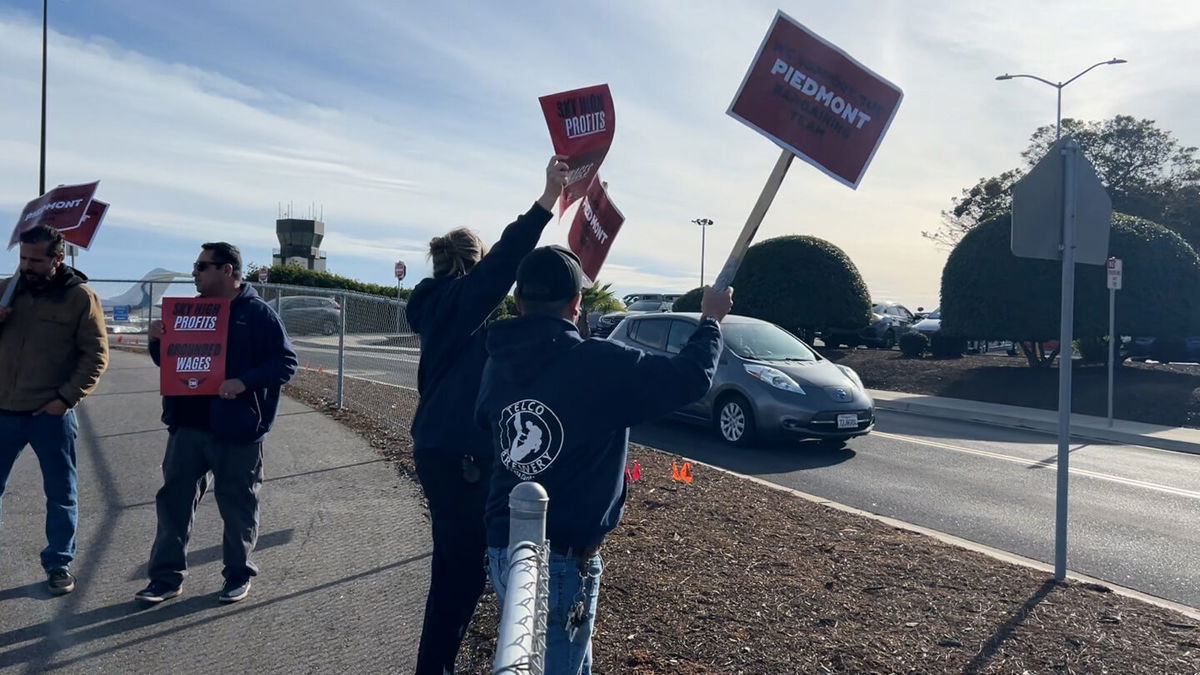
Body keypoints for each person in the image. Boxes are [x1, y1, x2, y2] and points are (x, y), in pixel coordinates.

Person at [476, 246, 732, 674]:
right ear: (577, 303)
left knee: (560, 658)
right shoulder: (597, 364)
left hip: (504, 546)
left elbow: (486, 423)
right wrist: (710, 321)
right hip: (561, 559)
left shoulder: (497, 359)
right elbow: (688, 378)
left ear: (518, 301)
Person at [406, 154, 568, 674]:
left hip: (436, 445)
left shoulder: (437, 310)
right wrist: (546, 202)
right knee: (461, 571)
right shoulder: (461, 304)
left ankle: (437, 664)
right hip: (463, 453)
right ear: (472, 265)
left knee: (453, 564)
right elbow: (505, 261)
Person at [136, 242, 297, 604]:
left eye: (202, 266)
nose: (194, 272)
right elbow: (171, 365)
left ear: (227, 271)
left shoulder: (257, 313)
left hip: (237, 428)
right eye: (195, 266)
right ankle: (165, 578)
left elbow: (286, 363)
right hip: (187, 424)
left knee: (238, 504)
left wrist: (245, 382)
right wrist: (156, 341)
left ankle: (238, 574)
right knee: (174, 503)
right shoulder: (187, 311)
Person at [0, 224, 108, 595]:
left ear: (58, 259)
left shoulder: (79, 298)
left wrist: (64, 400)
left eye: (36, 259)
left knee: (61, 494)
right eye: (23, 258)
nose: (27, 265)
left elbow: (95, 356)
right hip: (2, 411)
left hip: (50, 415)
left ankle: (59, 563)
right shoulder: (5, 292)